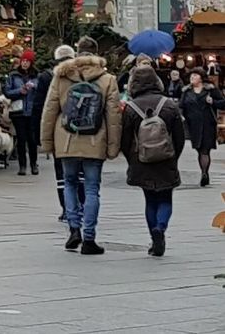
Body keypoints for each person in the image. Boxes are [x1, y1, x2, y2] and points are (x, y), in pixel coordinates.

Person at [41, 36, 122, 255]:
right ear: (96, 53)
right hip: (95, 141)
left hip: (65, 139)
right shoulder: (107, 80)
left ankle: (73, 228)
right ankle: (89, 238)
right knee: (92, 188)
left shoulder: (62, 76)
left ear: (77, 51)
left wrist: (47, 143)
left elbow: (50, 112)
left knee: (69, 182)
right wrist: (114, 147)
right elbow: (113, 116)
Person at [121, 66, 185, 257]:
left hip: (142, 159)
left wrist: (131, 159)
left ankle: (153, 237)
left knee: (150, 199)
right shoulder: (169, 105)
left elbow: (125, 140)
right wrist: (174, 156)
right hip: (166, 158)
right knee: (166, 197)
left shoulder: (131, 107)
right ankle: (161, 228)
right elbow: (180, 137)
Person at [35, 45, 86, 222]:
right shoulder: (85, 75)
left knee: (62, 175)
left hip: (59, 132)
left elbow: (42, 109)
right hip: (83, 131)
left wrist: (42, 136)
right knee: (82, 173)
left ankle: (67, 209)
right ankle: (83, 205)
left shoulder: (48, 77)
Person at [179, 67, 225, 187]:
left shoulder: (211, 90)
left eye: (195, 75)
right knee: (199, 150)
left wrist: (213, 102)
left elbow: (223, 103)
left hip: (207, 124)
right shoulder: (186, 91)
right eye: (191, 76)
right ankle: (204, 171)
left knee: (205, 150)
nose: (192, 78)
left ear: (201, 78)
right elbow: (181, 106)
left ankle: (204, 173)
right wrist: (181, 116)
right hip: (193, 125)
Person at [4, 50, 40, 175]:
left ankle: (34, 164)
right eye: (23, 61)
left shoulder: (36, 76)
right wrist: (20, 91)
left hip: (31, 111)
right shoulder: (13, 75)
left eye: (27, 61)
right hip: (18, 111)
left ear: (31, 63)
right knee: (21, 138)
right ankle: (22, 166)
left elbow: (40, 91)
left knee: (32, 139)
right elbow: (7, 92)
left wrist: (33, 88)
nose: (25, 64)